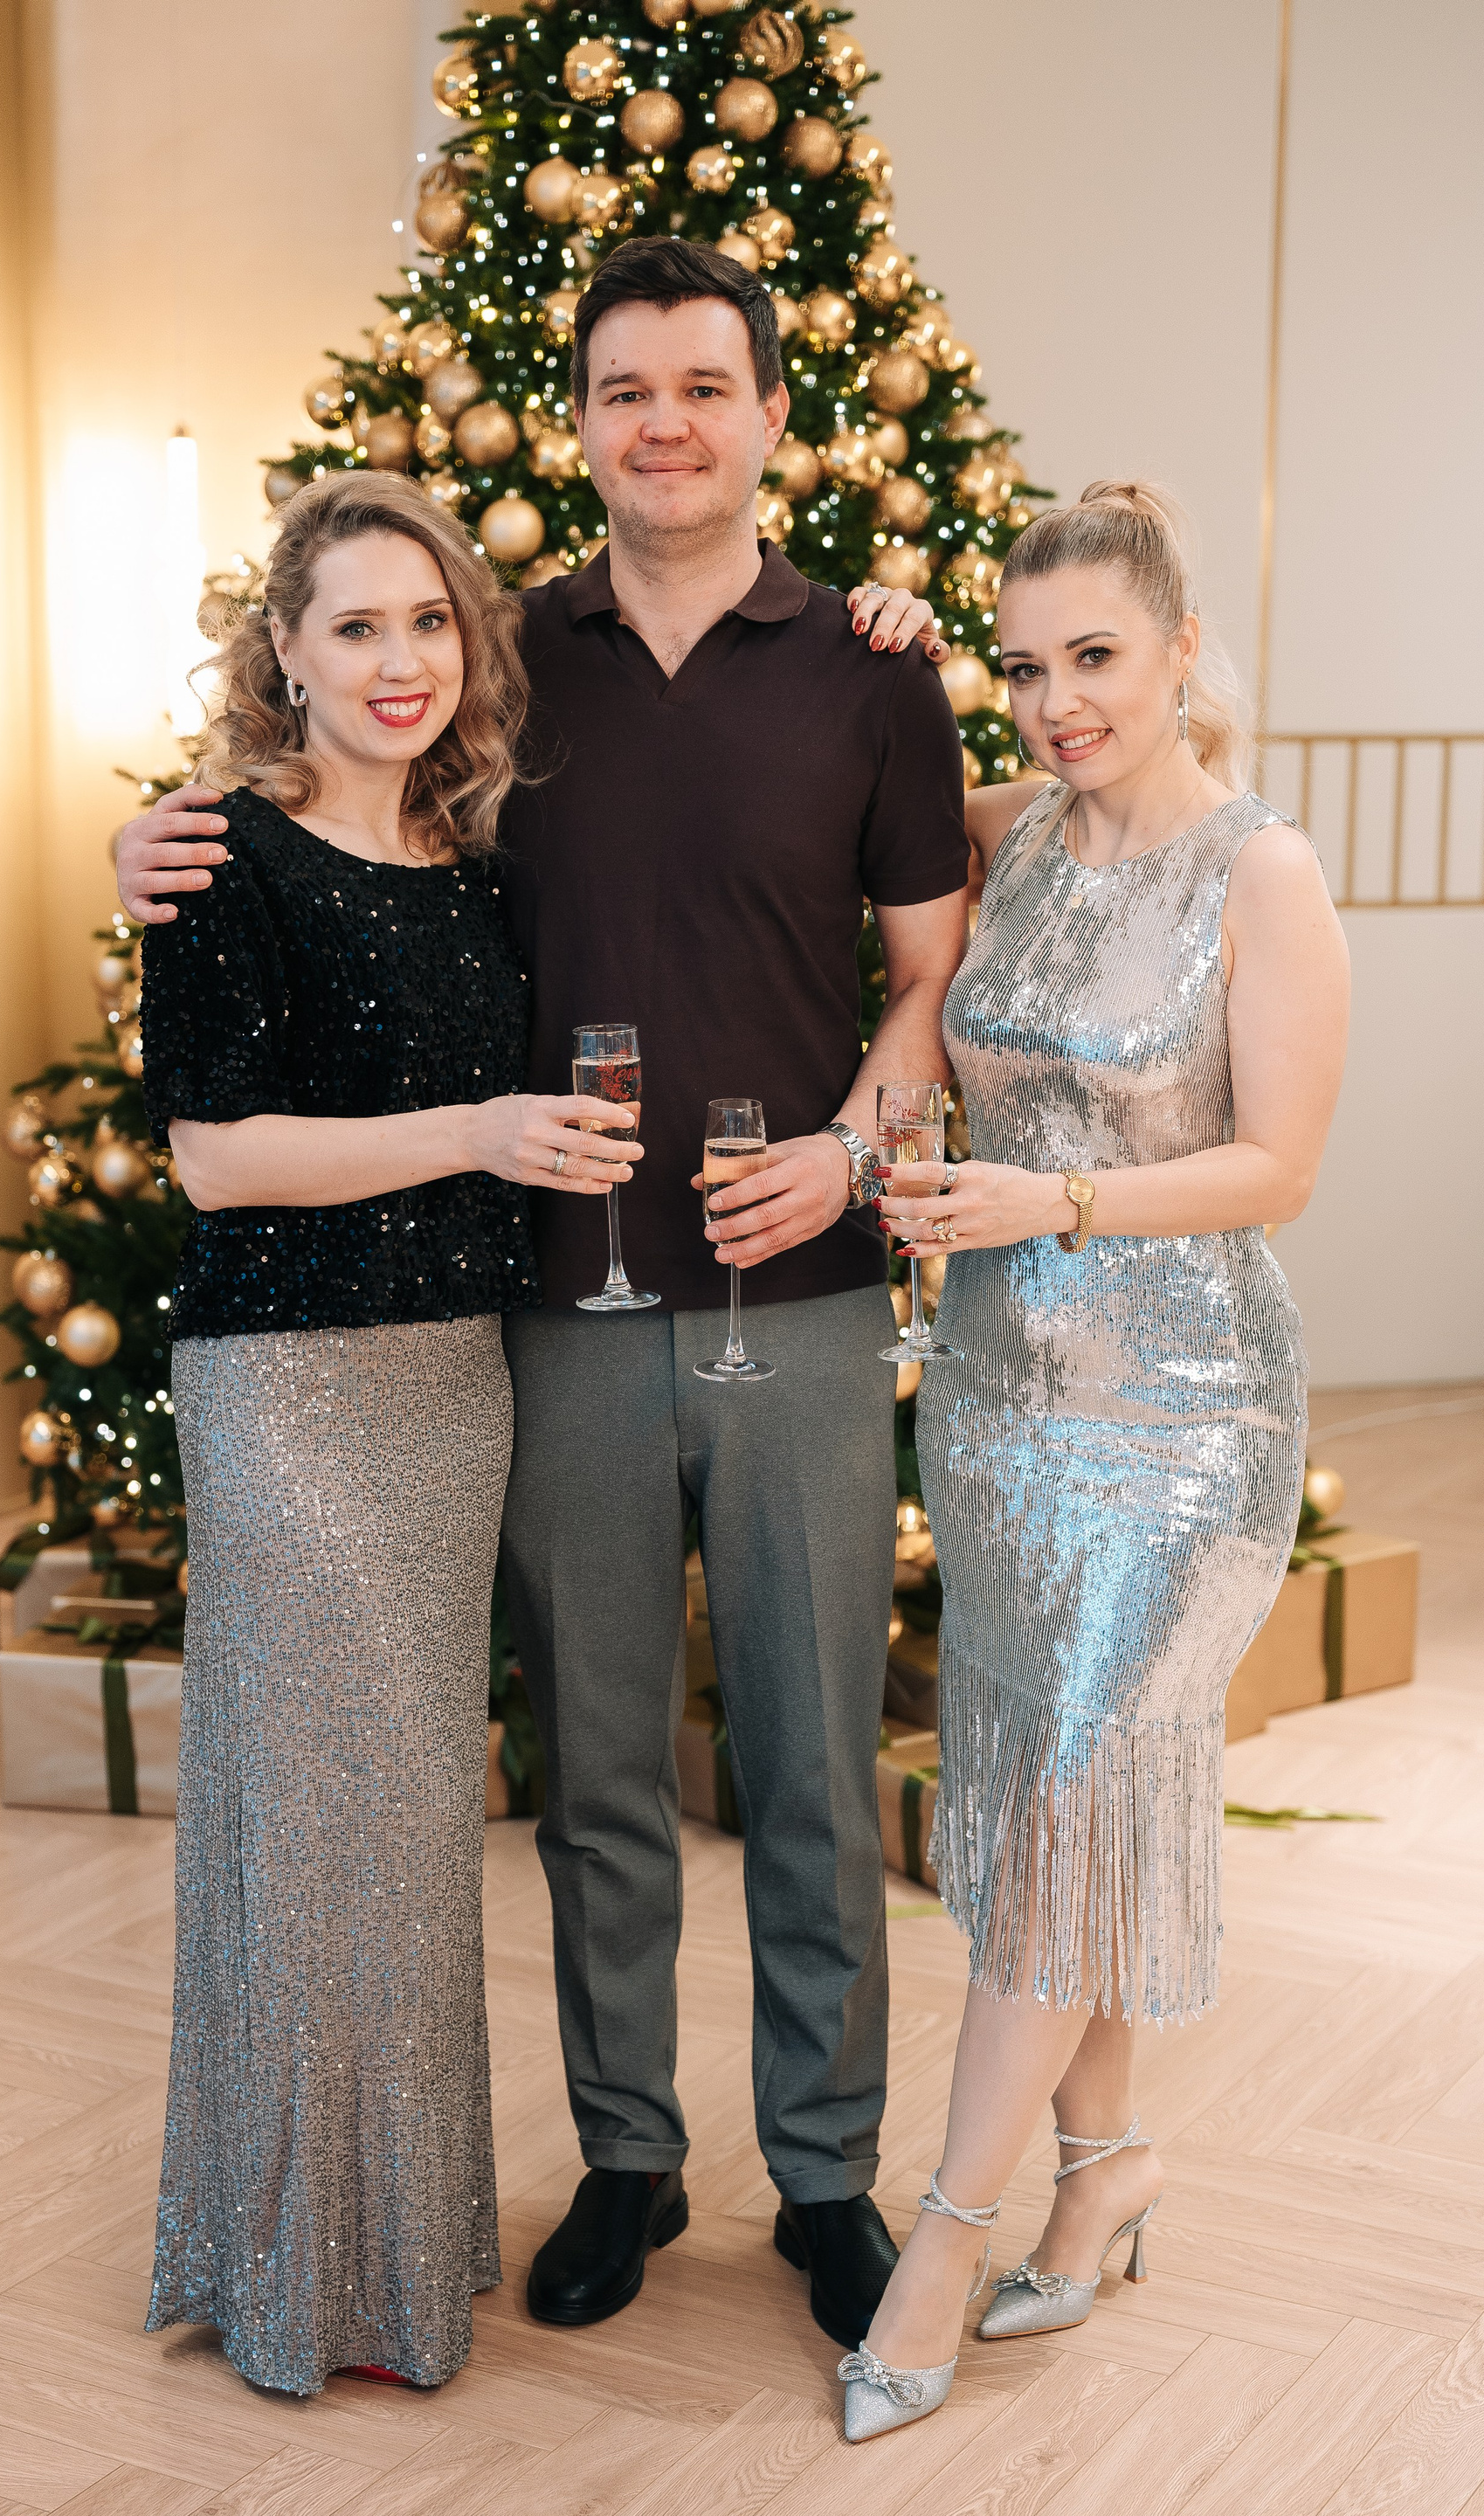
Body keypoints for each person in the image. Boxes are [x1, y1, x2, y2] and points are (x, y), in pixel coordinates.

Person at [118, 237, 968, 2352]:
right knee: (596, 1766)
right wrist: (148, 852)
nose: (665, 423)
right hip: (553, 1311)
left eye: (704, 386)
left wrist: (851, 1150)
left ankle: (829, 2174)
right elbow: (324, 822)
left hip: (804, 1290)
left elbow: (932, 984)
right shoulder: (501, 663)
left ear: (773, 414)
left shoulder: (874, 669)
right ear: (580, 421)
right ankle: (628, 2159)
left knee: (807, 1762)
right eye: (624, 390)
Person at [839, 480, 1349, 2443]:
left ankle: (946, 2236)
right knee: (1070, 1800)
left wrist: (1047, 1197)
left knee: (1064, 1797)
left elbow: (1277, 1168)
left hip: (1186, 1416)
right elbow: (846, 814)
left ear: (1182, 649)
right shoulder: (1018, 832)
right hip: (997, 1410)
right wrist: (875, 651)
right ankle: (1107, 2165)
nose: (1060, 702)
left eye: (1099, 659)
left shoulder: (1261, 871)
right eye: (1026, 664)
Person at [140, 468, 643, 2396]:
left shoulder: (480, 857)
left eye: (428, 620)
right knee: (317, 1825)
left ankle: (386, 2253)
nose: (398, 658)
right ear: (285, 648)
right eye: (355, 624)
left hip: (453, 1387)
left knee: (409, 1831)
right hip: (287, 1388)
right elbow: (216, 1159)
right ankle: (300, 2274)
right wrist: (480, 1135)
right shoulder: (220, 856)